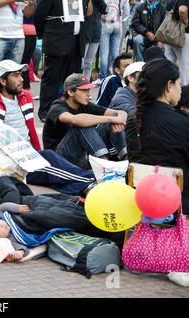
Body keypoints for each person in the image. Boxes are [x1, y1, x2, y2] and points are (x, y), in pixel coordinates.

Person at [0, 60, 98, 197]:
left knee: (52, 173)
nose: (22, 79)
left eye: (21, 75)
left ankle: (86, 189)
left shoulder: (25, 97)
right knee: (49, 161)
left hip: (29, 152)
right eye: (16, 76)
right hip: (9, 158)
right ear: (3, 81)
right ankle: (93, 181)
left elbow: (30, 130)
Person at [125, 58, 188, 213]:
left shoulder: (134, 120)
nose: (180, 90)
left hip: (142, 201)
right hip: (178, 204)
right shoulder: (181, 123)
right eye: (178, 84)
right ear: (168, 85)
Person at [43, 73, 128, 169]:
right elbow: (75, 120)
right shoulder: (57, 107)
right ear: (71, 92)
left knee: (112, 120)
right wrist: (112, 118)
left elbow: (118, 113)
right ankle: (105, 167)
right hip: (59, 160)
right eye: (84, 90)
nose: (89, 94)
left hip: (81, 157)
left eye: (88, 90)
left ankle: (127, 162)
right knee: (82, 125)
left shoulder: (84, 105)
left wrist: (118, 118)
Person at [34, 0, 94, 121]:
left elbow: (88, 13)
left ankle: (69, 110)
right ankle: (47, 112)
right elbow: (39, 15)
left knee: (73, 80)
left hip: (76, 42)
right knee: (52, 78)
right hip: (56, 40)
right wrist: (46, 35)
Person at [0, 0, 37, 101]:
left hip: (18, 35)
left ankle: (8, 107)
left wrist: (32, 3)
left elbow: (27, 13)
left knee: (14, 74)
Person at [98, 0, 130, 83]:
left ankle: (103, 77)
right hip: (117, 24)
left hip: (105, 23)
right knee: (115, 53)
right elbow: (126, 12)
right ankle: (116, 75)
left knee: (104, 53)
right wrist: (120, 19)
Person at [163, 0, 189, 86]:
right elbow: (182, 10)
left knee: (169, 62)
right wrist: (185, 21)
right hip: (183, 34)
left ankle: (167, 87)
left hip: (170, 33)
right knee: (185, 64)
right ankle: (184, 89)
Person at [81, 0, 108, 81]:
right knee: (80, 62)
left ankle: (86, 84)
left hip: (95, 31)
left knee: (89, 63)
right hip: (83, 31)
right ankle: (78, 84)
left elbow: (105, 9)